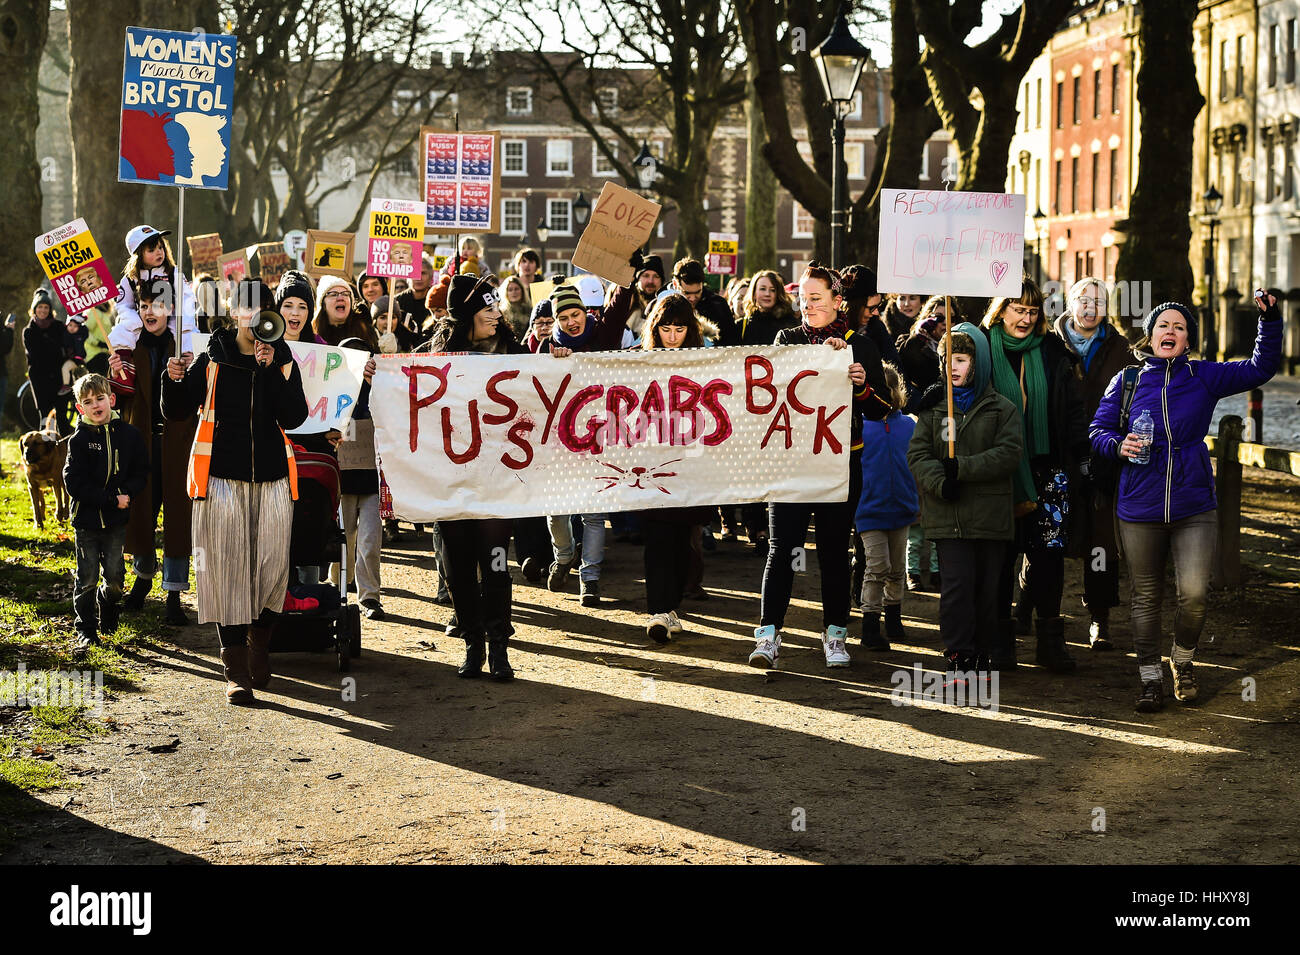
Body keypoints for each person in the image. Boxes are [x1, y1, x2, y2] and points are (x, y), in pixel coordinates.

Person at [1091, 294, 1281, 712]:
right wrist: (1119, 444)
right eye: (1163, 326)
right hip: (1139, 506)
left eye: (1179, 327)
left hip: (1194, 504)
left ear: (1188, 339)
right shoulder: (1126, 381)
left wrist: (1268, 320)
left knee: (1193, 594)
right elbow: (1097, 430)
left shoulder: (1203, 376)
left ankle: (1183, 661)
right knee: (1145, 596)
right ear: (1150, 335)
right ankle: (1148, 677)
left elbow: (1260, 368)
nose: (1170, 332)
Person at [162, 291, 310, 705]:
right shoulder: (212, 358)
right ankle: (235, 668)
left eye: (258, 306)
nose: (250, 314)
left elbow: (294, 416)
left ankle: (259, 644)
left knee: (270, 568)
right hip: (221, 477)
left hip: (273, 478)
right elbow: (175, 411)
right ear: (232, 313)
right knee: (226, 569)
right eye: (243, 306)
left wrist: (268, 371)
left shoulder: (281, 359)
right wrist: (172, 380)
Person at [748, 263, 890, 670]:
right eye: (803, 299)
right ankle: (769, 634)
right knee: (783, 549)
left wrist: (860, 386)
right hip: (793, 462)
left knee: (832, 551)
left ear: (837, 300)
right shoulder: (786, 340)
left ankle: (835, 635)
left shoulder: (860, 345)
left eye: (816, 299)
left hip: (842, 463)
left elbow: (882, 410)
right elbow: (767, 394)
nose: (807, 306)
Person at [428, 273, 533, 680]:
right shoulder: (435, 357)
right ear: (467, 316)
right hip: (451, 479)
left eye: (496, 307)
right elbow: (405, 388)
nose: (496, 314)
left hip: (496, 480)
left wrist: (557, 360)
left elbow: (543, 384)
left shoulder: (513, 351)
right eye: (487, 308)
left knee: (494, 565)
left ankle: (499, 648)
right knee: (457, 567)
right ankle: (473, 644)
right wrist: (377, 369)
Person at [982, 277, 1089, 674]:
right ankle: (1000, 644)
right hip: (1000, 469)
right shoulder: (980, 348)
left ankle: (1050, 643)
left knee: (1048, 558)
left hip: (1047, 468)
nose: (1025, 318)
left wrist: (1082, 456)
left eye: (1032, 311)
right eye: (1018, 310)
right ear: (1001, 310)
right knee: (1000, 558)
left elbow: (1073, 409)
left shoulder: (1051, 351)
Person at [908, 324, 1023, 690]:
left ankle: (983, 653)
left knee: (988, 588)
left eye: (961, 359)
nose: (952, 367)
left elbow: (1008, 453)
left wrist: (965, 467)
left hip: (990, 516)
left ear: (978, 362)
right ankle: (958, 653)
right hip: (949, 514)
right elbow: (918, 453)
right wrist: (941, 481)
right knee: (957, 587)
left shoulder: (1001, 408)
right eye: (946, 360)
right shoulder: (933, 408)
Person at [538, 275, 636, 606]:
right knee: (557, 511)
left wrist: (628, 272)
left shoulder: (603, 335)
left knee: (593, 514)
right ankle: (564, 557)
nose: (571, 322)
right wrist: (552, 362)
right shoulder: (546, 346)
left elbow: (619, 306)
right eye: (563, 318)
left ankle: (589, 577)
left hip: (598, 438)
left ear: (584, 312)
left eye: (575, 315)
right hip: (559, 442)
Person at [1053, 277, 1137, 650]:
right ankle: (1031, 607)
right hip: (1056, 453)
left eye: (1098, 301)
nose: (1090, 307)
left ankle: (1100, 618)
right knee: (1047, 533)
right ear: (1070, 304)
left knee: (1101, 543)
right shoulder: (1049, 345)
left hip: (1103, 457)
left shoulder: (1121, 350)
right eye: (1082, 300)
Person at [109, 278, 198, 625]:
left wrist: (191, 370)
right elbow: (120, 394)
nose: (150, 312)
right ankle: (143, 580)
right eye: (144, 306)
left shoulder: (186, 346)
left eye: (157, 305)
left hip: (178, 442)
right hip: (141, 442)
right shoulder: (131, 346)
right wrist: (115, 370)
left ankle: (174, 592)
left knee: (178, 514)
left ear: (171, 309)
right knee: (141, 513)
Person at [637, 293, 717, 641]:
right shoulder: (640, 362)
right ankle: (657, 610)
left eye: (679, 329)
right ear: (655, 329)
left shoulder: (704, 359)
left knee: (684, 538)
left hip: (691, 463)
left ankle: (670, 608)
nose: (672, 336)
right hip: (652, 462)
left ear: (691, 330)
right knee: (657, 537)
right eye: (665, 329)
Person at [63, 374, 149, 654]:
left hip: (115, 523)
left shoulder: (129, 435)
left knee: (114, 579)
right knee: (86, 578)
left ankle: (108, 604)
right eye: (88, 402)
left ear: (111, 400)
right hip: (86, 523)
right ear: (80, 409)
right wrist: (110, 499)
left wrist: (129, 494)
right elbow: (74, 482)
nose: (96, 405)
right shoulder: (79, 440)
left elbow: (140, 471)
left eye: (100, 398)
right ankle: (85, 629)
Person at [855, 364, 919, 651]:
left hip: (902, 507)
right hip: (869, 509)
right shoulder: (859, 427)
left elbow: (917, 466)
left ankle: (894, 618)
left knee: (897, 568)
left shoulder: (909, 425)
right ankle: (870, 624)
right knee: (876, 567)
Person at [329, 337, 385, 621]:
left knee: (369, 541)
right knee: (343, 537)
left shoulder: (382, 390)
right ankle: (337, 587)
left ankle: (370, 596)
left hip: (372, 481)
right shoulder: (330, 389)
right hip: (342, 480)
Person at [108, 225, 197, 355]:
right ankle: (125, 363)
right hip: (143, 323)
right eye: (151, 250)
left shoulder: (173, 273)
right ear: (138, 254)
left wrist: (183, 323)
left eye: (161, 247)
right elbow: (123, 305)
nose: (159, 252)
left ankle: (188, 360)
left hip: (170, 321)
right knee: (120, 331)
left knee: (188, 334)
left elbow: (187, 298)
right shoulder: (130, 279)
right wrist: (134, 322)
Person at [24, 288, 73, 434]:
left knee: (63, 417)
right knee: (45, 419)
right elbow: (35, 355)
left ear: (50, 309)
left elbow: (67, 345)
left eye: (46, 307)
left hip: (60, 378)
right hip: (40, 380)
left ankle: (65, 452)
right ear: (34, 309)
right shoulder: (29, 331)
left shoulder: (58, 326)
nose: (43, 310)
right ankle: (46, 451)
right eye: (40, 307)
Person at [670, 257, 735, 345]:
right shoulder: (665, 306)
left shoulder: (719, 305)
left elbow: (732, 342)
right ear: (675, 284)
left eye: (697, 292)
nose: (692, 298)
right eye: (687, 293)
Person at [313, 275, 375, 348]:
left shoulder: (365, 331)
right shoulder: (311, 336)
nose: (340, 298)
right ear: (323, 305)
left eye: (345, 294)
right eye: (333, 294)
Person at [276, 270, 326, 344]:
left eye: (302, 307)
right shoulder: (263, 345)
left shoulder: (320, 345)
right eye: (288, 306)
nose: (295, 313)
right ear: (278, 309)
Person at [626, 255, 666, 340]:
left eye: (656, 276)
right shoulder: (628, 302)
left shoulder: (666, 305)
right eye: (646, 275)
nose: (650, 281)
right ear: (638, 278)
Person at [396, 253, 434, 338]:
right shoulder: (397, 302)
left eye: (423, 273)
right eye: (415, 272)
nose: (418, 277)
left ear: (431, 277)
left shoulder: (437, 299)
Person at [499, 275, 532, 339]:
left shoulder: (530, 310)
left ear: (522, 291)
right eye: (510, 290)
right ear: (505, 293)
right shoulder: (501, 313)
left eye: (516, 289)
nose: (514, 292)